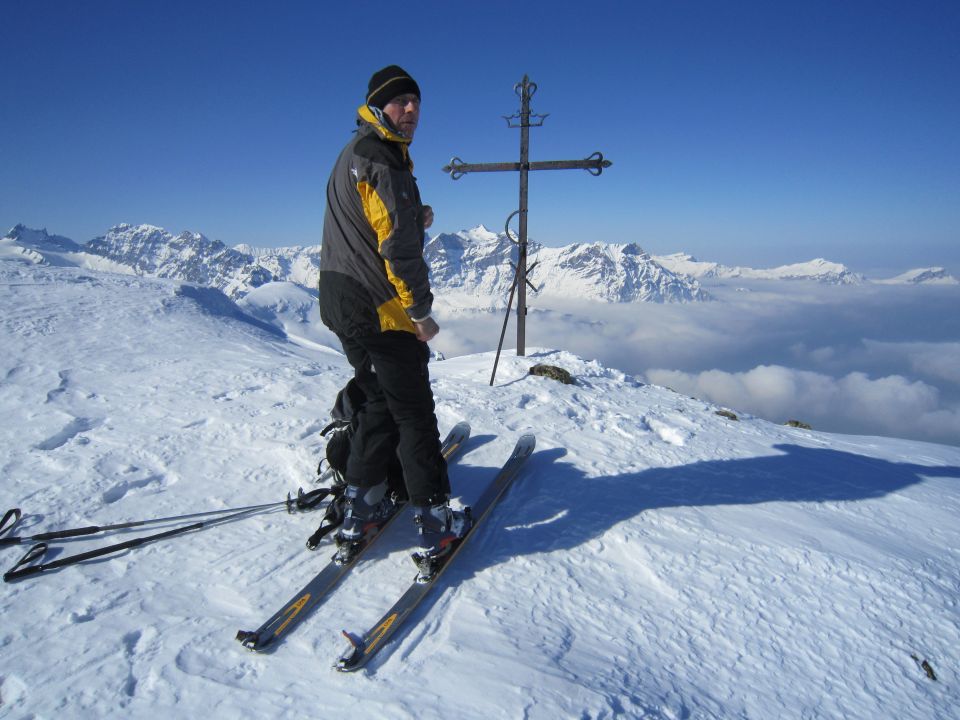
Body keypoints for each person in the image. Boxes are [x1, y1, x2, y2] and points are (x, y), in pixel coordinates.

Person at [317, 65, 468, 570]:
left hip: (340, 301)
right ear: (379, 106)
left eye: (416, 102)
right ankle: (435, 523)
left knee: (377, 402)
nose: (411, 110)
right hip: (380, 306)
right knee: (414, 413)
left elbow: (369, 220)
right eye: (401, 101)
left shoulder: (355, 152)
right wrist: (420, 313)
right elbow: (398, 251)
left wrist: (411, 215)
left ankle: (361, 509)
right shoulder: (384, 157)